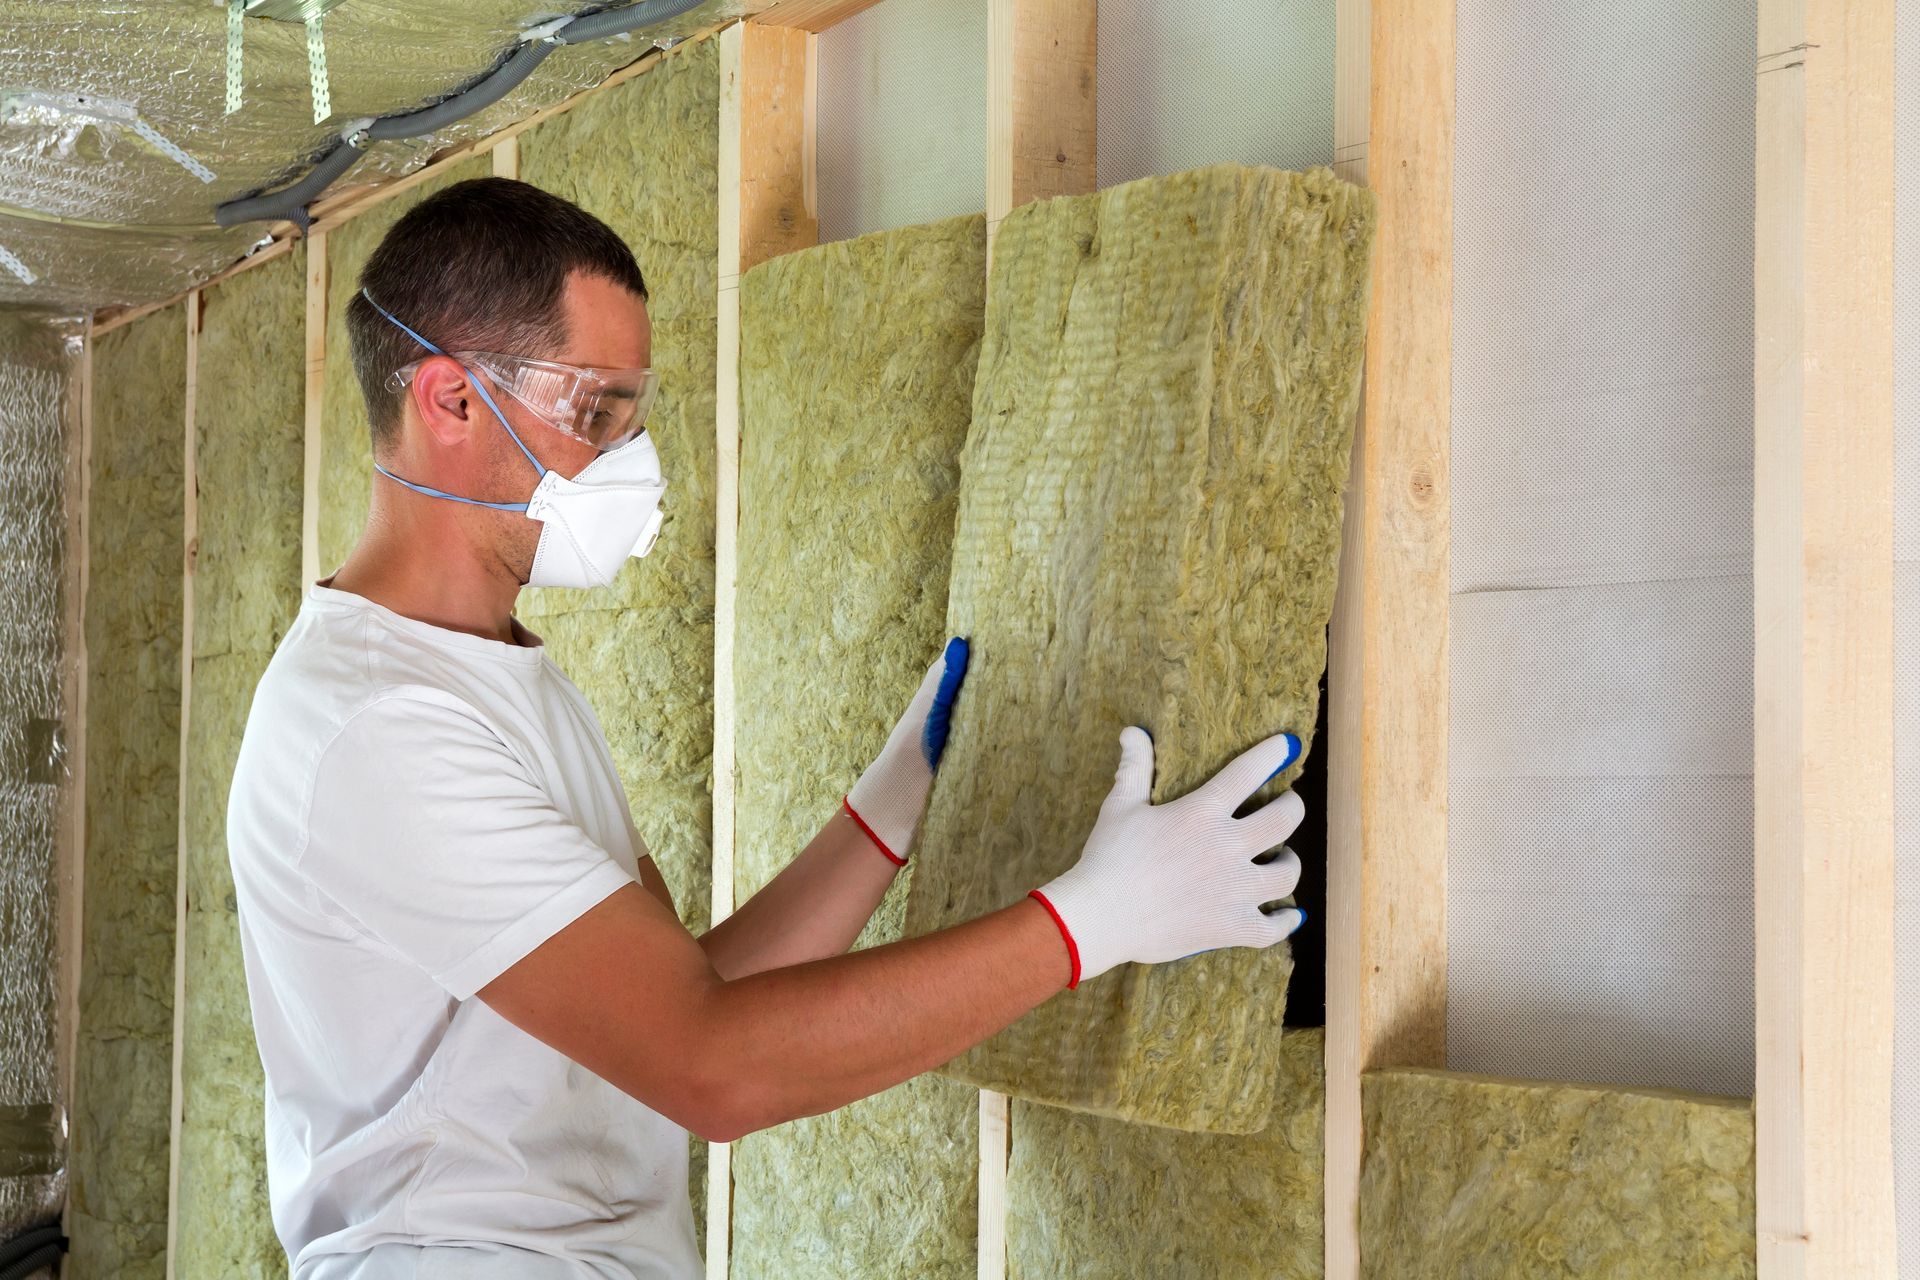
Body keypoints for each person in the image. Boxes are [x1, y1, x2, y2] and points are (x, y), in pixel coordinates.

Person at [226, 176, 1308, 1280]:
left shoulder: (502, 675)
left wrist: (879, 820)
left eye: (632, 414)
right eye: (594, 411)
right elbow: (711, 1066)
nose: (630, 459)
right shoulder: (376, 727)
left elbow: (686, 996)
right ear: (450, 401)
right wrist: (1086, 922)